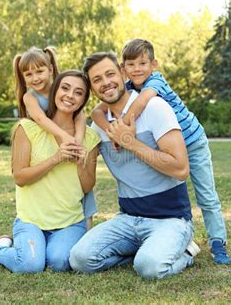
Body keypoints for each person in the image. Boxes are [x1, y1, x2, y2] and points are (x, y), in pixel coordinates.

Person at [91, 39, 231, 265]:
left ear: (153, 65)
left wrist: (125, 128)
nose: (137, 69)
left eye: (143, 63)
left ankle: (218, 242)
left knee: (206, 195)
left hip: (192, 141)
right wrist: (110, 130)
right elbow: (98, 111)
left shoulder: (155, 82)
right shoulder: (124, 88)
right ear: (123, 69)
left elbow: (140, 104)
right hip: (168, 144)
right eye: (131, 64)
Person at [69, 52, 200, 279]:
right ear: (91, 88)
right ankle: (145, 251)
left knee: (149, 268)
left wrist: (130, 142)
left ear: (122, 72)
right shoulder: (98, 125)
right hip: (127, 220)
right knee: (80, 259)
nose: (106, 82)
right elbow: (86, 179)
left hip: (170, 219)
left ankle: (186, 250)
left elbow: (181, 169)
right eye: (97, 79)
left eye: (110, 74)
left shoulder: (155, 108)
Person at [0, 70, 100, 273]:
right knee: (30, 265)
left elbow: (88, 186)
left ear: (83, 100)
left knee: (60, 263)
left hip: (69, 222)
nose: (70, 95)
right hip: (31, 221)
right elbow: (20, 178)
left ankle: (40, 249)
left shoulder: (90, 138)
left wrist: (80, 163)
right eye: (65, 88)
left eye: (78, 92)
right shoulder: (27, 129)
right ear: (54, 91)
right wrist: (57, 158)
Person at [14, 46, 97, 228]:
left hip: (69, 143)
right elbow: (40, 118)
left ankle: (87, 230)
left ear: (51, 69)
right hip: (50, 143)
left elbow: (80, 115)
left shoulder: (60, 90)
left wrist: (78, 140)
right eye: (28, 75)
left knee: (82, 186)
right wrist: (63, 136)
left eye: (40, 71)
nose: (35, 78)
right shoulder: (30, 97)